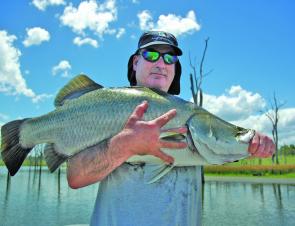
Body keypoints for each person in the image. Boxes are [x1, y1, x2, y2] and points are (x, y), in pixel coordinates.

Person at [66, 31, 275, 226]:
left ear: (175, 68)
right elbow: (75, 177)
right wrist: (125, 145)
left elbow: (223, 148)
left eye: (170, 58)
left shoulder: (191, 113)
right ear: (135, 62)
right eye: (151, 54)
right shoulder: (104, 107)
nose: (161, 63)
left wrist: (254, 143)